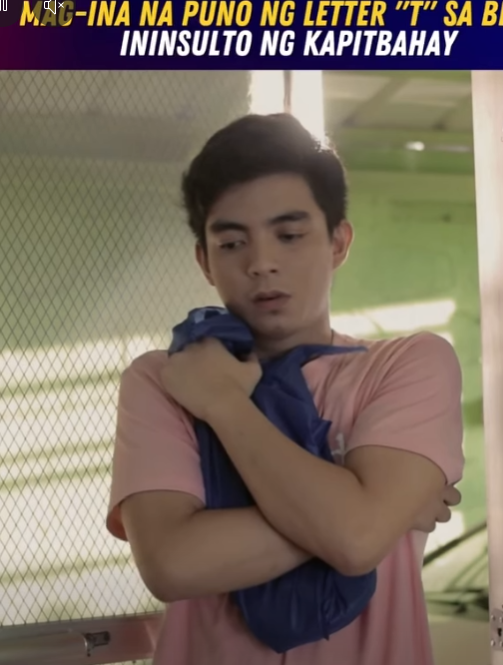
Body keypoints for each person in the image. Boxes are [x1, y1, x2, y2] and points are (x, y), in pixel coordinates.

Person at [106, 113, 464, 665]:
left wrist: (224, 405)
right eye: (232, 243)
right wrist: (373, 512)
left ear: (338, 242)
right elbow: (172, 565)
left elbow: (357, 538)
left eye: (290, 235)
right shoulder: (163, 379)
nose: (262, 263)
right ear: (204, 260)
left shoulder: (408, 365)